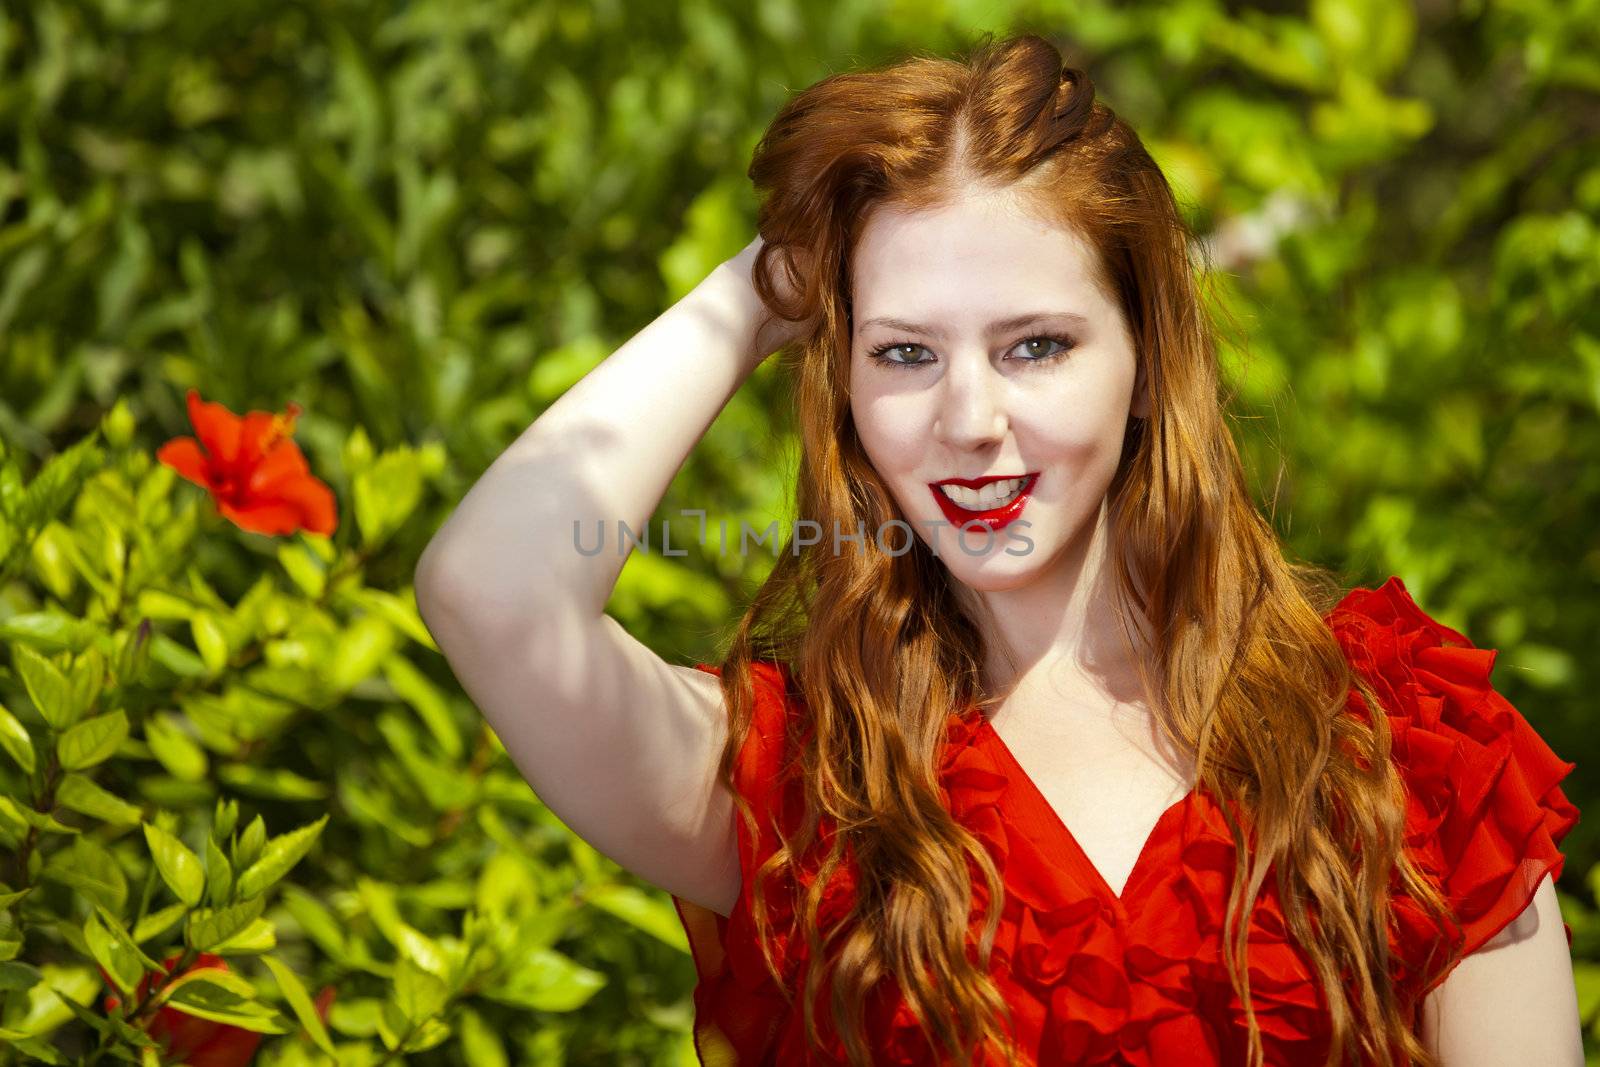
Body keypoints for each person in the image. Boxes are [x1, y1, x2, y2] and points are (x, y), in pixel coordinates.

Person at [413, 31, 1583, 1067]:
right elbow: (494, 591)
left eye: (1034, 345)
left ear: (1146, 364)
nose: (968, 418)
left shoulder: (1411, 753)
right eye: (906, 354)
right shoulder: (807, 791)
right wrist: (766, 284)